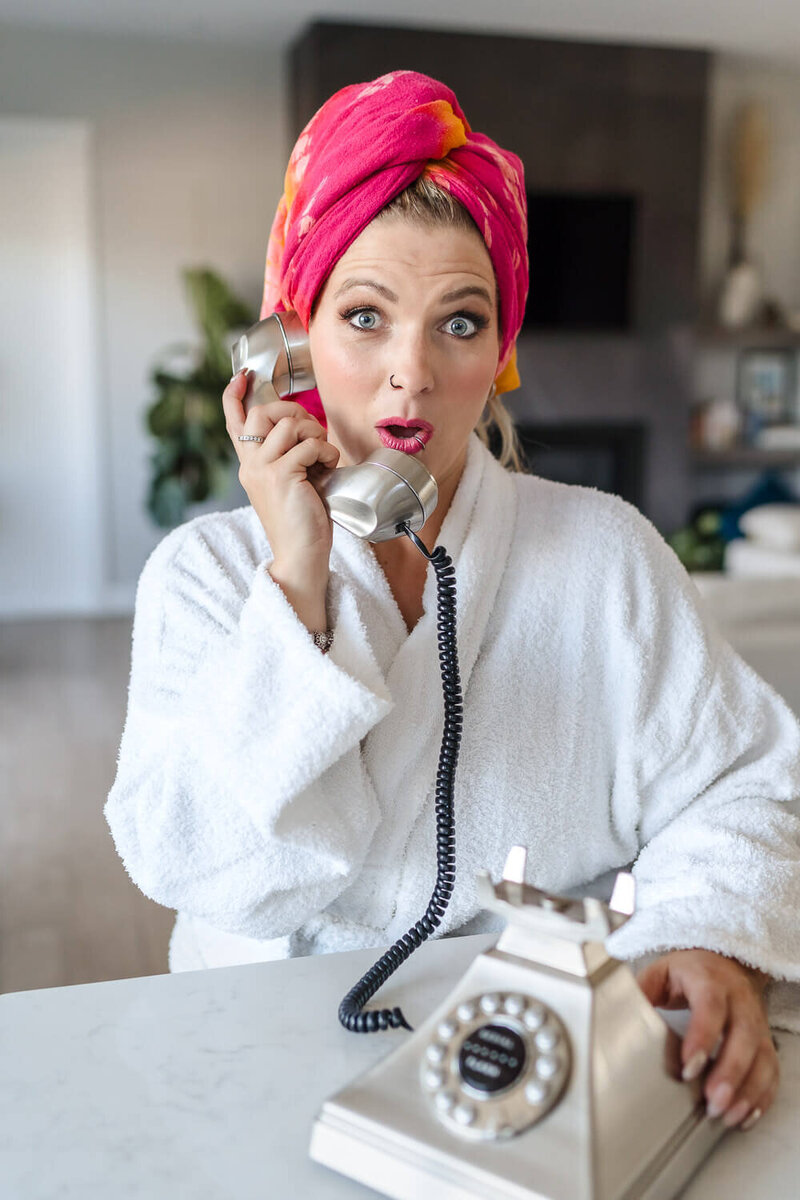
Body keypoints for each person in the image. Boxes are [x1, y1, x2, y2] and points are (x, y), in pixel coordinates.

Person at [106, 71, 800, 1133]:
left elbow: (742, 781)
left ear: (500, 351)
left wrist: (701, 940)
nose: (410, 374)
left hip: (544, 1054)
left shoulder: (604, 554)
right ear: (286, 339)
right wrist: (296, 588)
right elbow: (201, 868)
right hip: (255, 1058)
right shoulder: (205, 578)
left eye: (458, 322)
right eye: (365, 316)